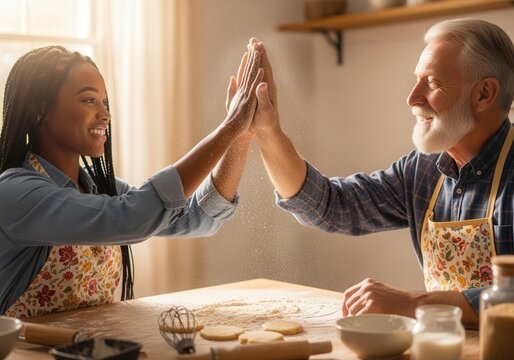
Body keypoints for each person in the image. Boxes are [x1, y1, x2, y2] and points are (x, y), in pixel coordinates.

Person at [250, 18, 514, 328]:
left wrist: (410, 302)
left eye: (431, 83)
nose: (412, 98)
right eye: (417, 80)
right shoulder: (422, 170)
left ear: (484, 94)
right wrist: (268, 131)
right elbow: (333, 205)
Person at [0, 43, 263, 317]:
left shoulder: (100, 188)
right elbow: (131, 218)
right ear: (40, 110)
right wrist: (229, 127)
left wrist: (242, 135)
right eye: (89, 100)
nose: (105, 114)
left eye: (105, 102)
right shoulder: (15, 193)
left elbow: (195, 218)